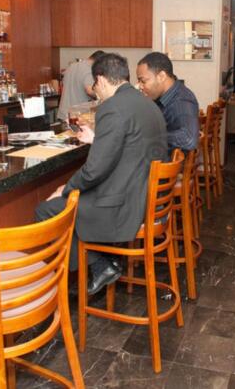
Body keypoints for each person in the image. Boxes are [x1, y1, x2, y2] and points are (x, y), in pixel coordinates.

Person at [34, 53, 168, 295]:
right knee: (70, 203)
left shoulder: (112, 107)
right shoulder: (148, 103)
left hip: (124, 205)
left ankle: (96, 266)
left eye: (95, 84)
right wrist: (98, 140)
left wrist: (65, 188)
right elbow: (131, 146)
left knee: (47, 210)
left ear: (102, 80)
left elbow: (94, 171)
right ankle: (102, 262)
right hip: (146, 196)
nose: (95, 90)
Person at [136, 52, 199, 154]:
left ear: (161, 76)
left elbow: (189, 139)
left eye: (143, 81)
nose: (140, 86)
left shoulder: (181, 100)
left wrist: (151, 136)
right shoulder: (164, 98)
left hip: (161, 161)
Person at [57, 50, 104, 121]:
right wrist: (102, 96)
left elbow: (63, 85)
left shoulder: (72, 66)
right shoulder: (88, 69)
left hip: (63, 113)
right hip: (76, 116)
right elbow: (89, 91)